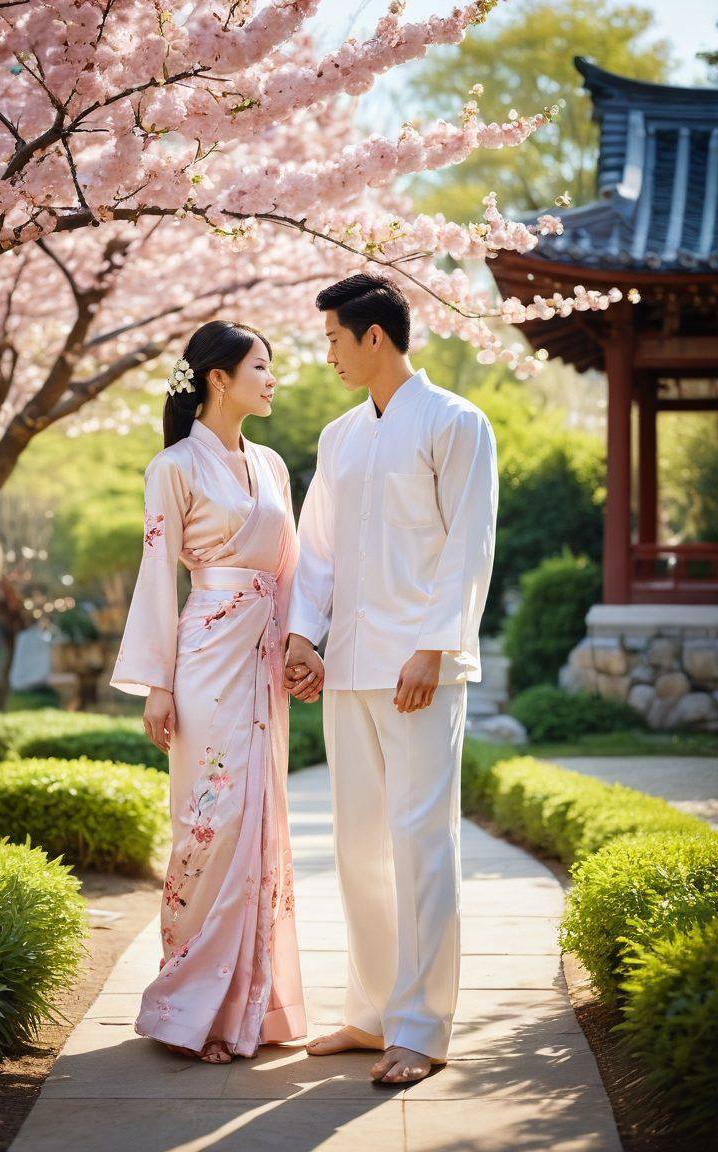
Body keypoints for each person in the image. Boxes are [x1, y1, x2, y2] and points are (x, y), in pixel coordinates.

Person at [284, 273, 499, 1085]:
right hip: (348, 667)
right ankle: (373, 1013)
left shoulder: (456, 422)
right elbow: (318, 548)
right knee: (357, 846)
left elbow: (468, 543)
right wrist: (303, 638)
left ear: (373, 336)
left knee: (420, 842)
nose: (328, 355)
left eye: (334, 340)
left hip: (421, 671)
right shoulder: (339, 436)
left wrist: (435, 648)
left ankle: (420, 1026)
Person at [110, 320, 308, 1064]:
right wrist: (157, 685)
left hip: (262, 657)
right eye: (261, 366)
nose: (273, 378)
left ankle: (252, 1003)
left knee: (262, 820)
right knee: (210, 819)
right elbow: (157, 574)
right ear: (219, 378)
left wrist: (299, 645)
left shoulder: (273, 465)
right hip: (205, 656)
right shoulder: (172, 466)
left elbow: (290, 568)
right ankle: (189, 1005)